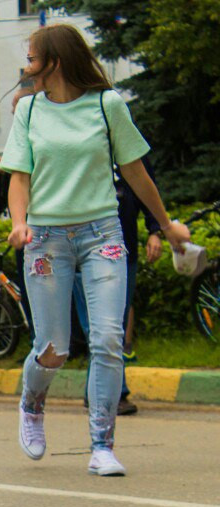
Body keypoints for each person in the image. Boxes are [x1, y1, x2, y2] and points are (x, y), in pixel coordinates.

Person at [2, 23, 188, 476]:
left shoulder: (107, 105)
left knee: (107, 339)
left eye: (31, 58)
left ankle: (102, 445)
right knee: (53, 347)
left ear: (55, 61)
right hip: (45, 239)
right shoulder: (27, 112)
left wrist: (166, 224)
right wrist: (20, 224)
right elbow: (19, 178)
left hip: (102, 235)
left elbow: (136, 171)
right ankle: (32, 403)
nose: (25, 67)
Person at [73, 163, 164, 416]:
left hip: (124, 251)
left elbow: (147, 186)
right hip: (83, 250)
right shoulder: (80, 138)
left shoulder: (130, 145)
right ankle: (113, 393)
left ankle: (98, 392)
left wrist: (156, 231)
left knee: (114, 326)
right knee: (97, 326)